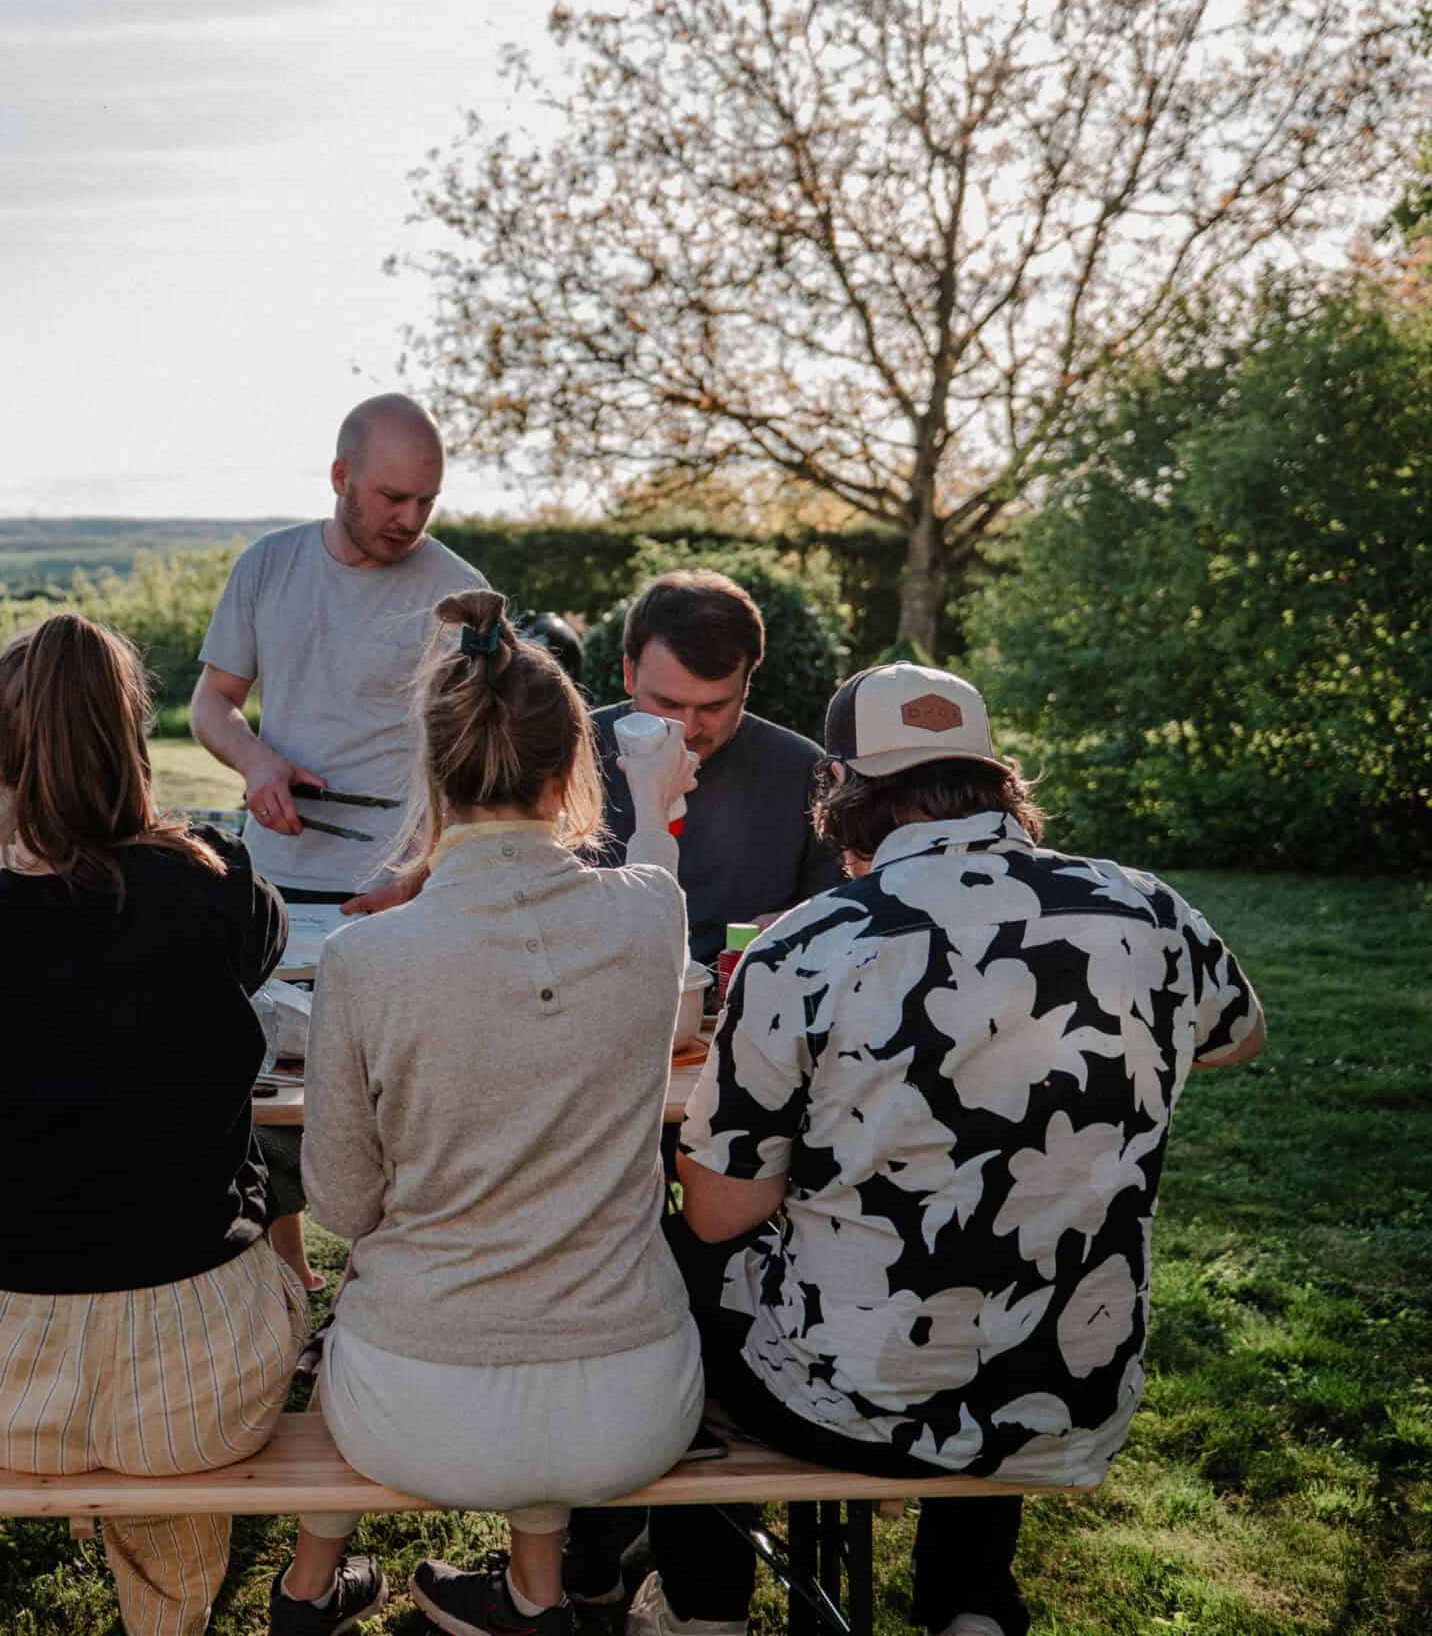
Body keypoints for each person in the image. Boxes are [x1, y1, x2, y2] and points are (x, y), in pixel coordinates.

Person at [606, 663, 1266, 1636]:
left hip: (847, 1396)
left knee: (668, 1262)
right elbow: (1235, 1037)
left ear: (835, 788)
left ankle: (702, 1602)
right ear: (996, 782)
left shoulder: (804, 946)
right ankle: (967, 1601)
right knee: (1017, 1241)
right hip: (1065, 1389)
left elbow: (721, 1212)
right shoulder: (1147, 910)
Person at [268, 590, 707, 1636]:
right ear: (571, 774)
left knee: (410, 1298)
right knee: (550, 1272)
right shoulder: (652, 914)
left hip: (414, 1407)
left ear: (431, 774)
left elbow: (338, 1204)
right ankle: (535, 1595)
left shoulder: (366, 957)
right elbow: (652, 872)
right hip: (635, 1402)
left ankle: (314, 1588)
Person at [0, 613, 307, 1636]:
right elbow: (219, 933)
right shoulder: (225, 894)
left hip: (6, 1385)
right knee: (238, 1291)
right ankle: (169, 1617)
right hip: (211, 1371)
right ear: (134, 746)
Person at [190, 392, 490, 1286]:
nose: (409, 519)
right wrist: (257, 764)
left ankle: (381, 1269)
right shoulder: (270, 566)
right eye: (392, 497)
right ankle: (287, 1267)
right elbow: (213, 704)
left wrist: (422, 861)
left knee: (396, 1092)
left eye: (424, 502)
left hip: (404, 882)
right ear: (340, 477)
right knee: (268, 1085)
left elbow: (480, 759)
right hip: (281, 878)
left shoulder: (459, 595)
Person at [581, 570, 843, 965]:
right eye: (667, 704)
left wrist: (800, 922)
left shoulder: (804, 771)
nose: (687, 728)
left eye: (714, 707)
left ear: (747, 686)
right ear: (629, 674)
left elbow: (847, 908)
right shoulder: (569, 755)